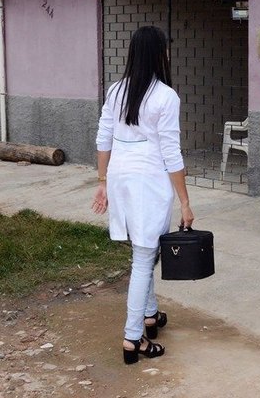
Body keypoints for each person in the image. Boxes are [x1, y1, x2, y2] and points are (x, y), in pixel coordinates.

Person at [91, 26, 194, 365]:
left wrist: (103, 181)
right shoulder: (166, 96)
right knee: (143, 258)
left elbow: (103, 137)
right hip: (149, 181)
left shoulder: (116, 90)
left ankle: (150, 315)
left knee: (142, 249)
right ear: (160, 54)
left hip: (121, 177)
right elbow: (171, 153)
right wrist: (185, 201)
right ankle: (133, 338)